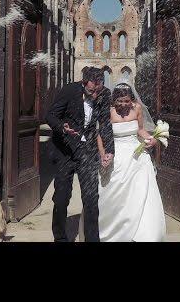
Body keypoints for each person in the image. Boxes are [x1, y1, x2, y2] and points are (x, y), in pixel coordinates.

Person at [45, 66, 114, 242]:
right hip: (65, 151)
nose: (95, 95)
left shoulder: (105, 94)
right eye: (91, 91)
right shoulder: (69, 90)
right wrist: (62, 127)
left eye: (98, 90)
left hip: (88, 151)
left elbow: (105, 123)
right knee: (61, 198)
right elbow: (51, 116)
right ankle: (60, 238)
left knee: (91, 199)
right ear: (83, 84)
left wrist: (109, 151)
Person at [93, 82, 166, 241]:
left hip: (137, 156)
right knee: (113, 191)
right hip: (116, 153)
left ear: (131, 99)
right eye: (120, 101)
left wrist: (151, 139)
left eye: (127, 101)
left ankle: (143, 232)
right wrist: (103, 154)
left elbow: (140, 129)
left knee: (141, 190)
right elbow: (100, 135)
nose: (124, 105)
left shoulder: (137, 108)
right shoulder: (108, 111)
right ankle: (113, 230)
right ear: (114, 100)